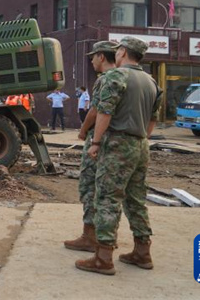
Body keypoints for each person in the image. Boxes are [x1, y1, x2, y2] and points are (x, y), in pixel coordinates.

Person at [76, 36, 161, 276]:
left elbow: (104, 111)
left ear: (122, 52)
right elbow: (153, 118)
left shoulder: (116, 77)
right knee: (136, 199)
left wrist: (95, 141)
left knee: (107, 198)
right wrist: (141, 137)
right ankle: (142, 252)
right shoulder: (151, 81)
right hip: (140, 144)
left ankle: (103, 258)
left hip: (116, 145)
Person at [64, 41, 118, 252]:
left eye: (94, 56)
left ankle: (90, 237)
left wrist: (84, 130)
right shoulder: (126, 78)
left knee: (89, 186)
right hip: (116, 141)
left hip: (99, 139)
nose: (92, 60)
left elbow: (96, 110)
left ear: (102, 57)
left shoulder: (105, 80)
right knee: (111, 192)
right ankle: (107, 237)